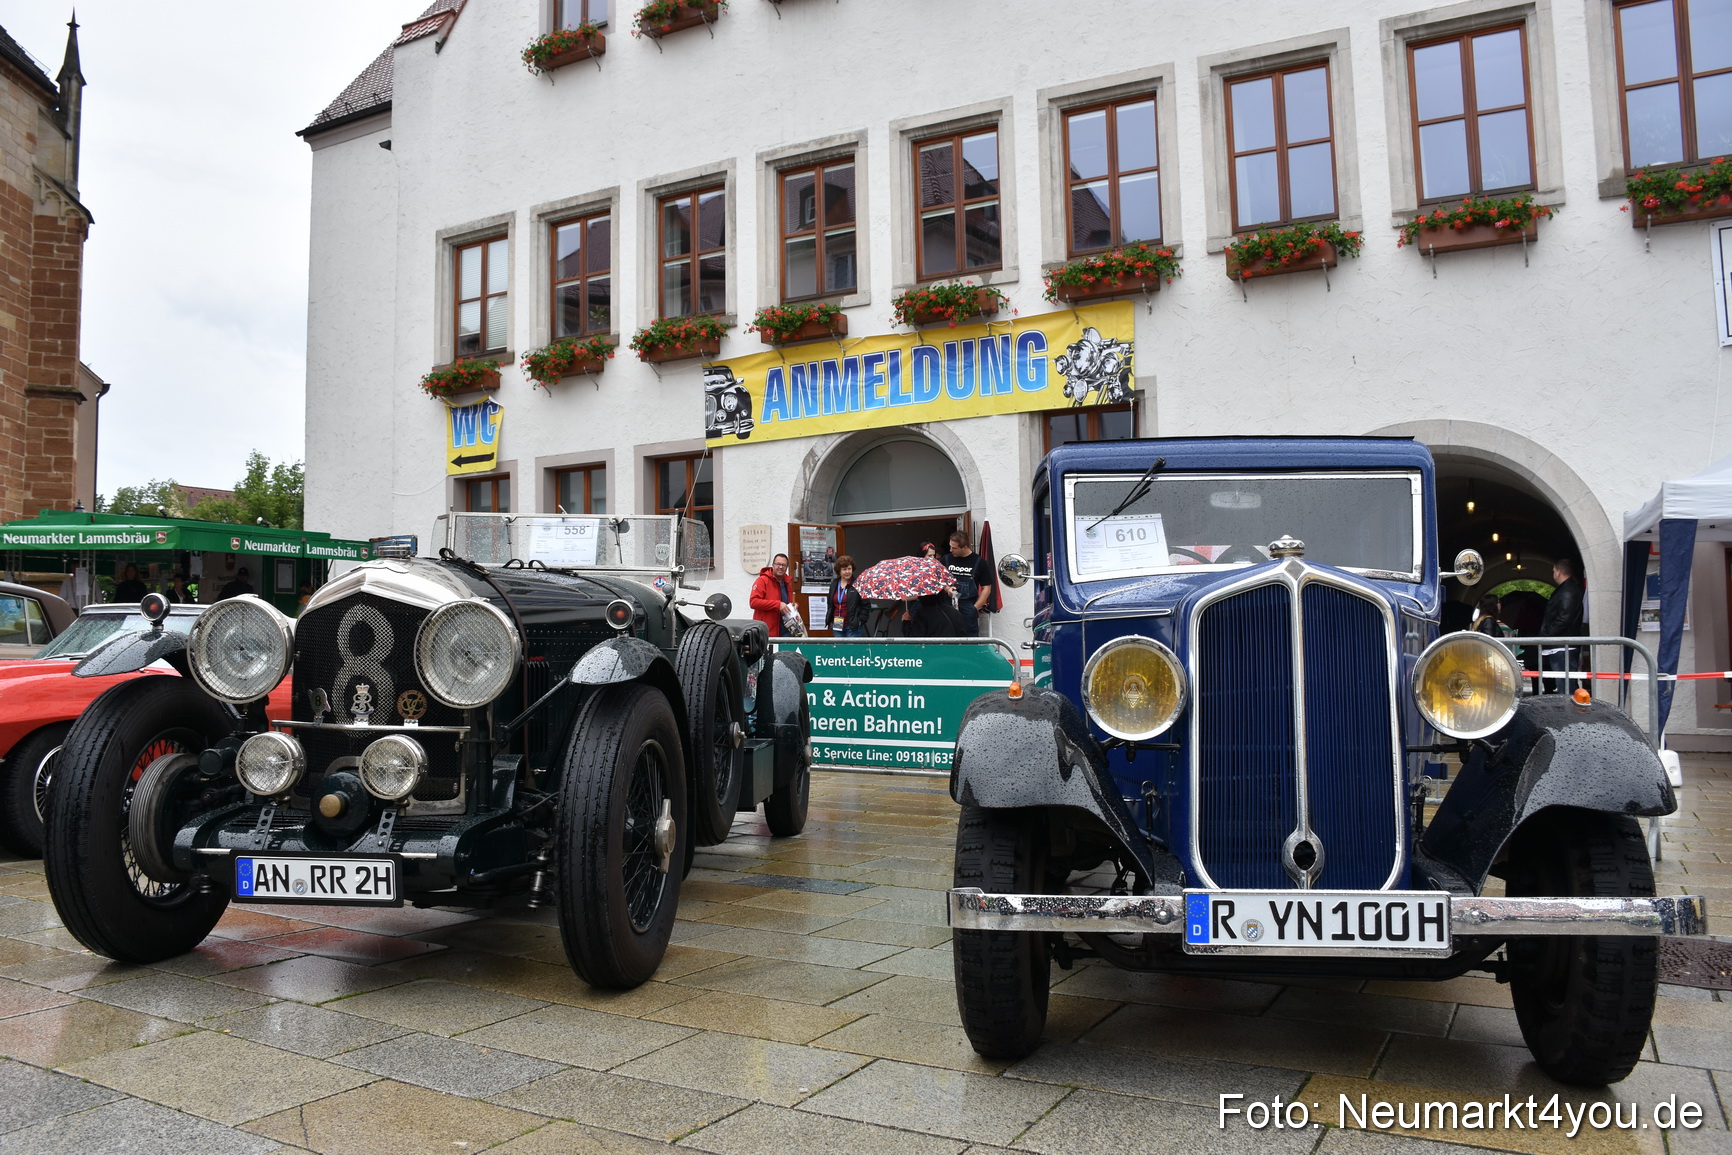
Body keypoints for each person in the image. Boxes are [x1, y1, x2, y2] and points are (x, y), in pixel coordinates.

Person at [1538, 556, 1586, 694]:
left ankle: (1570, 712)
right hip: (1562, 645)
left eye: (1554, 571)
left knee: (1566, 686)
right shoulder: (1568, 589)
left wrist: (1546, 634)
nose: (1553, 574)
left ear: (1558, 572)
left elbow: (1564, 618)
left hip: (1562, 646)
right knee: (1566, 683)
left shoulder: (1567, 591)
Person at [941, 530, 993, 638]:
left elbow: (987, 588)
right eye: (950, 546)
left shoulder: (979, 562)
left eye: (954, 548)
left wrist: (975, 608)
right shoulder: (945, 560)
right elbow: (940, 581)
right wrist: (947, 589)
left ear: (965, 547)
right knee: (946, 637)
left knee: (969, 640)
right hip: (948, 606)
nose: (951, 550)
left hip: (968, 607)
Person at [749, 554, 793, 637]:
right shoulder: (762, 580)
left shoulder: (787, 583)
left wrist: (792, 607)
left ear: (787, 567)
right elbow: (753, 602)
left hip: (786, 630)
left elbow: (786, 603)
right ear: (773, 565)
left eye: (783, 565)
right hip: (767, 631)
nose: (780, 567)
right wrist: (777, 604)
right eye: (778, 564)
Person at [827, 554, 867, 637]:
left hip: (852, 626)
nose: (847, 572)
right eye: (844, 569)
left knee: (851, 650)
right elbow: (830, 604)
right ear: (839, 571)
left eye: (849, 569)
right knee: (839, 649)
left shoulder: (858, 584)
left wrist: (859, 621)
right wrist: (830, 619)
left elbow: (866, 605)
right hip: (837, 625)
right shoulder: (834, 584)